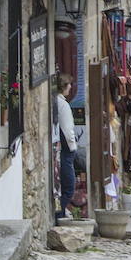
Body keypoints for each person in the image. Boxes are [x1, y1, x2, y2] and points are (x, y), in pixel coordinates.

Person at [53, 73, 78, 219]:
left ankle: (60, 213)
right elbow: (68, 129)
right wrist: (73, 147)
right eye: (69, 85)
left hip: (59, 148)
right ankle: (59, 214)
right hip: (66, 150)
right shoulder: (63, 105)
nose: (70, 88)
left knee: (62, 185)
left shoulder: (56, 102)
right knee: (69, 187)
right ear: (64, 86)